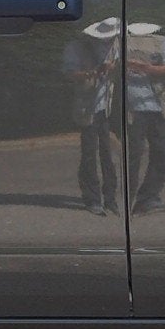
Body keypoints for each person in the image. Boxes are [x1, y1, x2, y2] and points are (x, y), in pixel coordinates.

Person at [121, 20, 165, 215]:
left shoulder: (162, 42)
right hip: (129, 108)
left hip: (158, 107)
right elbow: (108, 67)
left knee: (162, 155)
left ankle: (147, 199)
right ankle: (125, 202)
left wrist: (147, 68)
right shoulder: (118, 43)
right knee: (131, 157)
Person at [64, 19, 122, 215]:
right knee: (89, 154)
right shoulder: (76, 48)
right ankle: (92, 198)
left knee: (108, 154)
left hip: (106, 105)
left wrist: (112, 67)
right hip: (87, 106)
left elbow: (118, 66)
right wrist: (92, 72)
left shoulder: (116, 45)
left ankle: (110, 198)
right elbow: (70, 74)